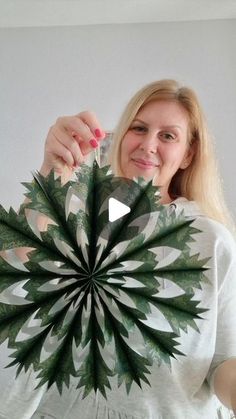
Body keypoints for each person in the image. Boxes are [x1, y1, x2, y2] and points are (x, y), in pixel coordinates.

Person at [0, 79, 236, 419]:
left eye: (168, 135)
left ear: (188, 154)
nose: (148, 144)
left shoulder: (211, 242)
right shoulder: (73, 215)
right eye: (139, 128)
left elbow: (221, 362)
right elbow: (11, 281)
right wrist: (51, 176)